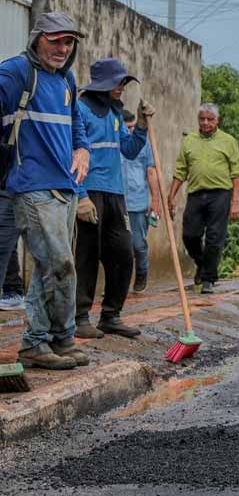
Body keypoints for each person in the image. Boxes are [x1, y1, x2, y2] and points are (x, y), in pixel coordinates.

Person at [0, 12, 90, 370]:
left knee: (48, 268)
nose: (62, 48)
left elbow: (76, 122)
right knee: (60, 264)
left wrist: (82, 148)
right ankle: (45, 339)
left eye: (68, 42)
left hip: (64, 186)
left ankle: (54, 340)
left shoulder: (67, 79)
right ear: (37, 38)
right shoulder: (16, 73)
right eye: (55, 40)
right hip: (32, 186)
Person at [74, 58, 153, 339]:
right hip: (89, 191)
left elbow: (129, 151)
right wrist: (81, 196)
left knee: (123, 254)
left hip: (116, 194)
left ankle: (111, 316)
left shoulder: (116, 113)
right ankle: (80, 318)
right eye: (118, 83)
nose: (122, 88)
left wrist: (141, 126)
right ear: (103, 84)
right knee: (87, 255)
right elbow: (72, 153)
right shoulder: (80, 109)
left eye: (124, 83)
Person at [168, 104, 239, 294]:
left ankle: (209, 279)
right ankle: (202, 263)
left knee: (214, 238)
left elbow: (236, 173)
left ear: (217, 120)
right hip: (195, 193)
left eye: (210, 119)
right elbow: (180, 170)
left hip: (220, 194)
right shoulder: (189, 140)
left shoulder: (228, 141)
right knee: (189, 235)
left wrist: (235, 202)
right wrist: (171, 196)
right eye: (202, 119)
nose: (206, 122)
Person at [122, 109, 162, 293]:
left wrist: (155, 200)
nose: (130, 131)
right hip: (117, 201)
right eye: (126, 128)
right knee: (120, 247)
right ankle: (118, 284)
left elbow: (151, 171)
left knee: (138, 244)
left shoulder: (143, 143)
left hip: (137, 201)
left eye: (132, 127)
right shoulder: (116, 142)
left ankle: (141, 273)